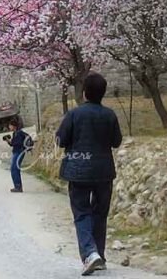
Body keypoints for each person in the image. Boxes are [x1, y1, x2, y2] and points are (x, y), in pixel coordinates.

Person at [55, 72, 122, 276]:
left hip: (78, 171)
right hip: (104, 172)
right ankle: (98, 255)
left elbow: (62, 140)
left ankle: (91, 254)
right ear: (103, 93)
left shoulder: (74, 114)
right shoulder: (110, 114)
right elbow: (116, 141)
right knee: (100, 214)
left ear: (84, 93)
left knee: (82, 213)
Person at [3, 120, 30, 193]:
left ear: (13, 126)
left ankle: (18, 187)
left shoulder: (19, 133)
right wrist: (8, 141)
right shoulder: (15, 133)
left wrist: (11, 141)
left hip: (19, 152)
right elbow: (12, 144)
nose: (9, 127)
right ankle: (17, 186)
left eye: (10, 125)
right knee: (15, 169)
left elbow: (17, 143)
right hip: (17, 152)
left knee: (14, 169)